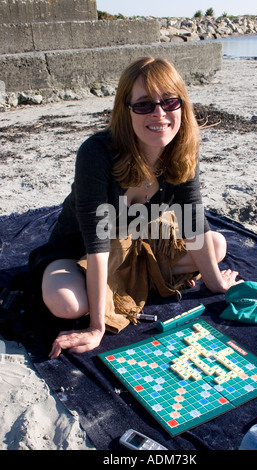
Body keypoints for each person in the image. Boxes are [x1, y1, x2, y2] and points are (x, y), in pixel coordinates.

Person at [29, 57, 242, 360]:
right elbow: (96, 241)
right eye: (144, 104)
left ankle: (130, 286)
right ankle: (124, 290)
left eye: (169, 101)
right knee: (67, 304)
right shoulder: (97, 153)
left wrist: (215, 282)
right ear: (125, 110)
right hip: (81, 252)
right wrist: (95, 326)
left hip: (140, 246)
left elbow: (193, 221)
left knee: (216, 246)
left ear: (182, 104)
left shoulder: (181, 149)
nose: (159, 113)